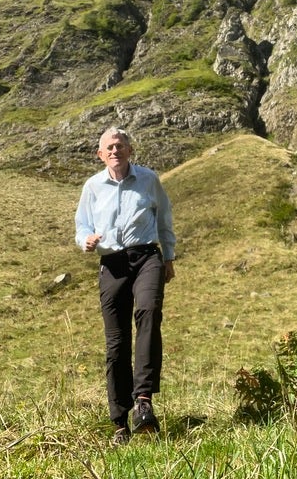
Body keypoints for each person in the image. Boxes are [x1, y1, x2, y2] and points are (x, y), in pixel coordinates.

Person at [74, 126, 176, 445]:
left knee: (148, 312)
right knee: (116, 342)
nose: (115, 151)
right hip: (112, 265)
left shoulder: (149, 179)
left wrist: (168, 257)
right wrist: (85, 241)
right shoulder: (92, 187)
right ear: (100, 154)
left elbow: (164, 219)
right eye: (109, 147)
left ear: (130, 150)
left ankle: (143, 402)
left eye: (120, 145)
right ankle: (120, 422)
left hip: (147, 256)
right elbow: (81, 226)